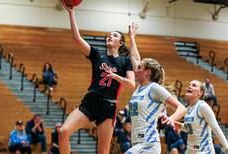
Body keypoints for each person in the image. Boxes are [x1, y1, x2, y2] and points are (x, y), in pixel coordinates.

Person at [59, 2, 139, 154]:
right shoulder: (97, 55)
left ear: (120, 43)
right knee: (63, 131)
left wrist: (115, 76)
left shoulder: (125, 61)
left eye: (114, 35)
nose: (110, 36)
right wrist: (71, 13)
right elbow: (77, 39)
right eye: (108, 34)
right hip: (90, 101)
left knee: (103, 151)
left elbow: (131, 84)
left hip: (108, 107)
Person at [125, 58, 187, 154]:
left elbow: (182, 108)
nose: (135, 70)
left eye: (139, 68)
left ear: (147, 72)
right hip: (136, 141)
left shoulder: (154, 88)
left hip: (148, 143)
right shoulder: (139, 88)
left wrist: (171, 118)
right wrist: (132, 42)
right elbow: (135, 58)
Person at [171, 80, 228, 154]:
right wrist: (173, 122)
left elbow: (216, 128)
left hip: (204, 150)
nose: (189, 86)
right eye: (189, 85)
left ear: (200, 93)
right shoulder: (188, 109)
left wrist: (227, 149)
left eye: (194, 85)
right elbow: (189, 129)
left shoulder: (203, 106)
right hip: (190, 150)